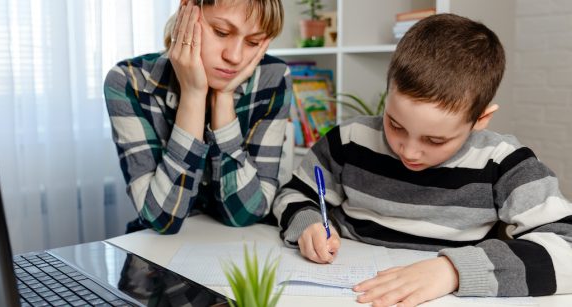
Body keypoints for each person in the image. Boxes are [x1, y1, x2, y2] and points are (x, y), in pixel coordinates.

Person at [272, 13, 572, 306]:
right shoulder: (348, 140)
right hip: (343, 289)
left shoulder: (506, 163)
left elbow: (567, 247)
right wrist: (308, 223)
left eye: (435, 140)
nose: (409, 151)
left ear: (481, 119)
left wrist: (453, 270)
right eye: (395, 124)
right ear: (388, 90)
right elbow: (294, 193)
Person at [104, 0, 290, 234]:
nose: (234, 56)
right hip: (158, 251)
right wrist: (193, 96)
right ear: (187, 10)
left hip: (239, 245)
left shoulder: (273, 78)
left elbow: (247, 214)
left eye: (253, 42)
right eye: (221, 32)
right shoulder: (130, 81)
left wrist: (223, 97)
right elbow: (162, 219)